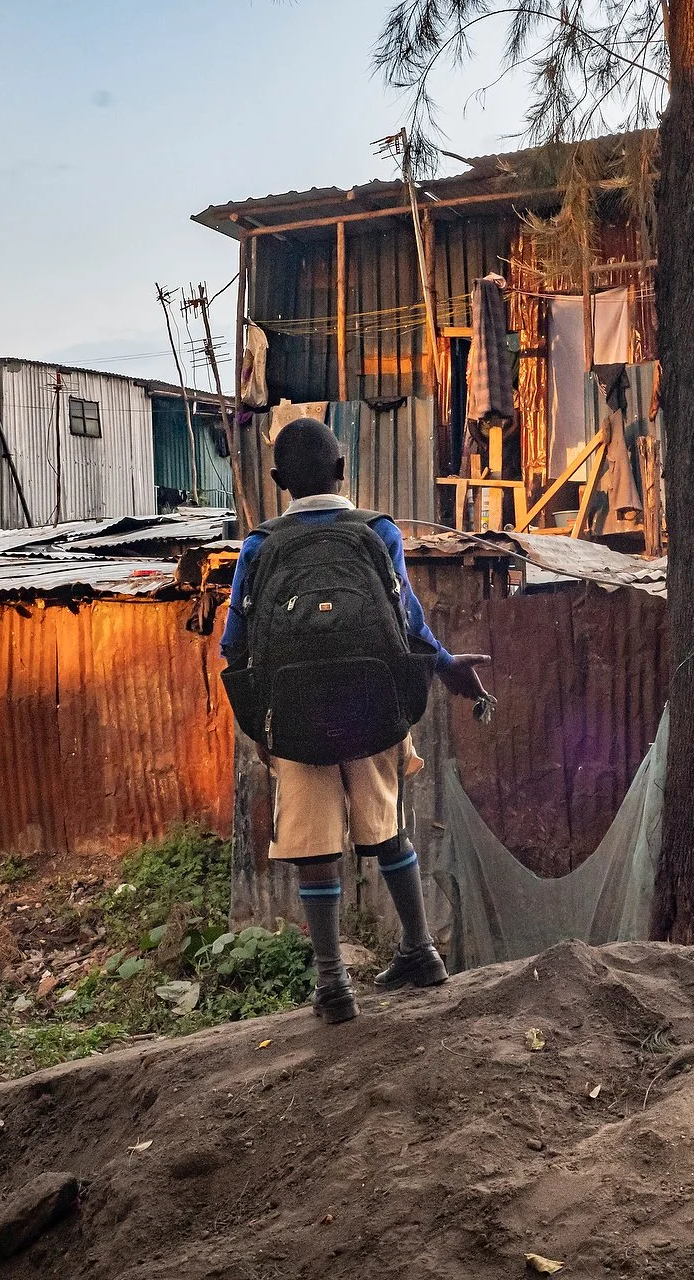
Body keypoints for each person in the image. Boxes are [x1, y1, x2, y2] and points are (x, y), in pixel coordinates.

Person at [220, 417, 490, 1024]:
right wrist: (446, 668)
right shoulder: (379, 532)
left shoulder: (261, 545)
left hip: (295, 716)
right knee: (387, 825)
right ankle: (419, 951)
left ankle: (333, 984)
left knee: (315, 845)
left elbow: (234, 643)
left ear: (277, 480)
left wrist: (262, 724)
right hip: (374, 706)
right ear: (342, 469)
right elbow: (409, 622)